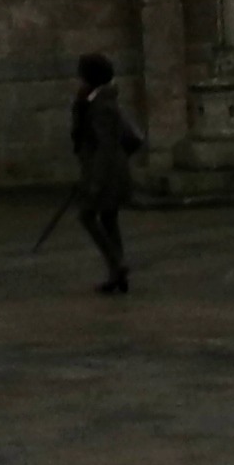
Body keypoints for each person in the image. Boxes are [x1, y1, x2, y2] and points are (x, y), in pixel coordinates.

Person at [65, 52, 144, 295]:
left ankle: (117, 264)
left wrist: (96, 179)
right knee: (109, 219)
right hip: (111, 168)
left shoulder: (101, 106)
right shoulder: (100, 101)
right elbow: (131, 138)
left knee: (87, 216)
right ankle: (116, 275)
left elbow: (106, 144)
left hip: (103, 171)